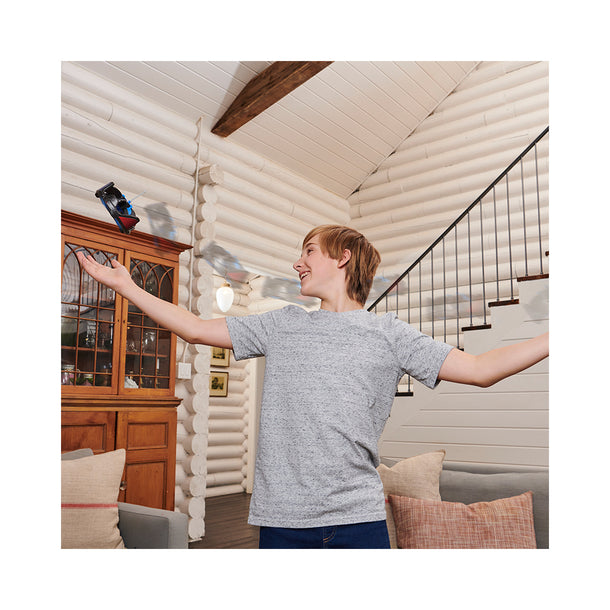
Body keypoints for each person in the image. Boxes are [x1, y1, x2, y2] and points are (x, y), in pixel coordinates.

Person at [76, 224, 549, 549]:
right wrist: (126, 286)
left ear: (343, 257)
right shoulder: (282, 324)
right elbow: (196, 329)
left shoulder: (390, 335)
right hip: (282, 520)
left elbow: (482, 368)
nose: (297, 262)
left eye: (308, 252)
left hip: (358, 520)